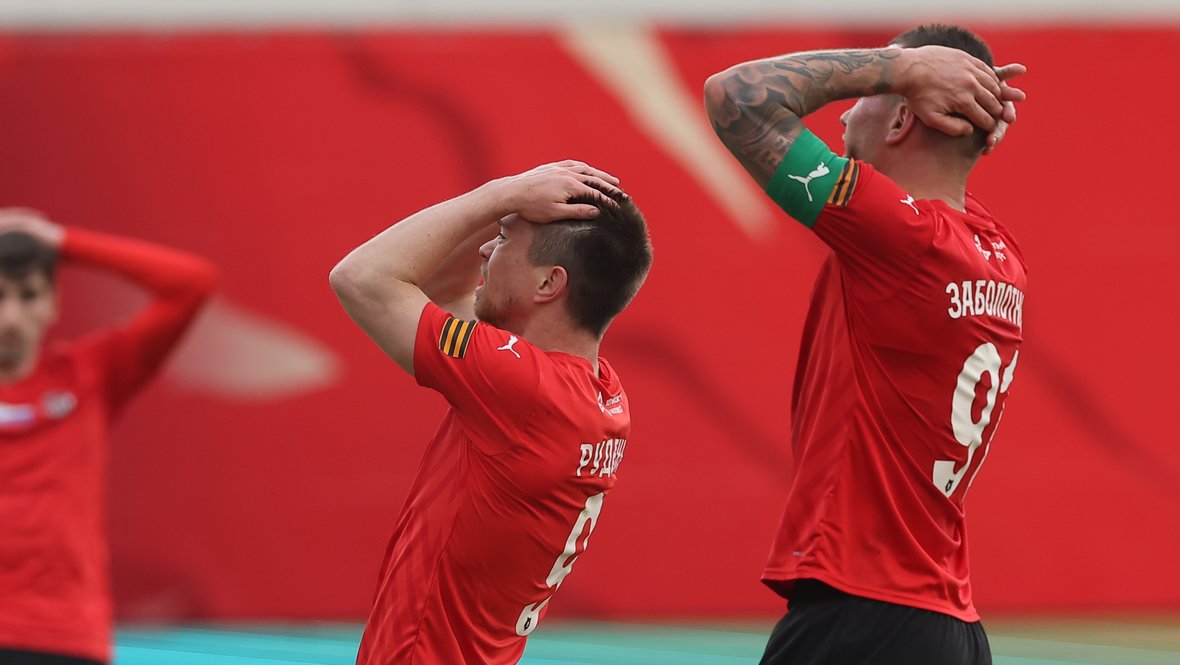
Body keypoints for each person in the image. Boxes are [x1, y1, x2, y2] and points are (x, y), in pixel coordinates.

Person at [703, 24, 1027, 665]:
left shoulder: (905, 238)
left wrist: (900, 68)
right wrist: (963, 106)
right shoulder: (999, 251)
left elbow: (734, 96)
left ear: (904, 116)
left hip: (865, 616)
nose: (845, 113)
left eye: (867, 97)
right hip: (950, 625)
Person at [330, 161, 652, 664]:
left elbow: (360, 277)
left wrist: (502, 193)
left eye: (501, 240)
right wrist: (512, 208)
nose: (484, 249)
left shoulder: (523, 386)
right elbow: (447, 294)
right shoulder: (599, 390)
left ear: (548, 284)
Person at [0, 209, 217, 665]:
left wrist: (61, 241)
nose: (11, 317)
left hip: (65, 638)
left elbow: (191, 284)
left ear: (54, 303)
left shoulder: (90, 374)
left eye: (28, 295)